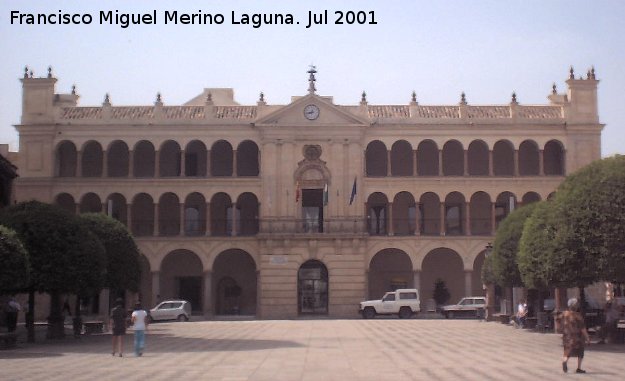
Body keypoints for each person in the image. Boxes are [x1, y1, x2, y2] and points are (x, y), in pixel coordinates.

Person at [561, 298, 590, 374]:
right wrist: (587, 337)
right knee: (580, 351)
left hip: (566, 336)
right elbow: (582, 328)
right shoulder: (578, 316)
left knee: (567, 350)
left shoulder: (564, 314)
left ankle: (564, 361)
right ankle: (579, 368)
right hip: (577, 337)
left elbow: (559, 323)